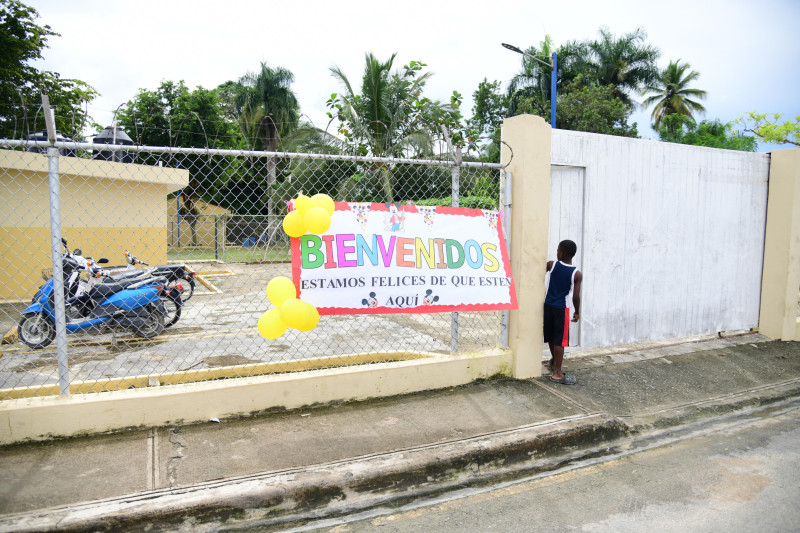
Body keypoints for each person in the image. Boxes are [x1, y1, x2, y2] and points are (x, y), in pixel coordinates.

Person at [544, 240, 583, 385]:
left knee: (551, 336)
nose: (556, 252)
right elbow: (575, 297)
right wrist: (577, 312)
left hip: (548, 306)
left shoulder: (551, 265)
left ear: (561, 252)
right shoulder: (576, 273)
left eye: (557, 250)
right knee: (561, 340)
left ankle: (555, 363)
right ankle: (558, 373)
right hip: (562, 309)